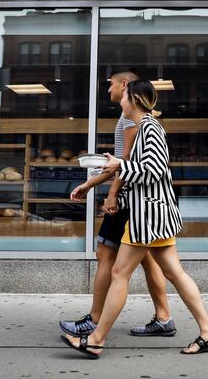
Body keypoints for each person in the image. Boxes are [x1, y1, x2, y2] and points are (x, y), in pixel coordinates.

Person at [63, 79, 208, 358]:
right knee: (174, 273)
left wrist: (119, 164)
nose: (120, 102)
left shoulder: (150, 127)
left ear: (134, 99)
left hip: (148, 217)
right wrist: (116, 171)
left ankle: (96, 340)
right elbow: (141, 172)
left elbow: (156, 169)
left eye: (123, 97)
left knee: (119, 273)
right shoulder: (147, 127)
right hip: (152, 214)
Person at [59, 69, 176, 338]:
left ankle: (95, 323)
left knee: (108, 257)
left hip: (127, 200)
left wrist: (109, 193)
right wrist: (93, 184)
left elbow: (127, 163)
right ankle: (164, 317)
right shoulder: (130, 118)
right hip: (132, 200)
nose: (108, 89)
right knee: (150, 260)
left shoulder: (133, 121)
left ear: (125, 87)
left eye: (110, 85)